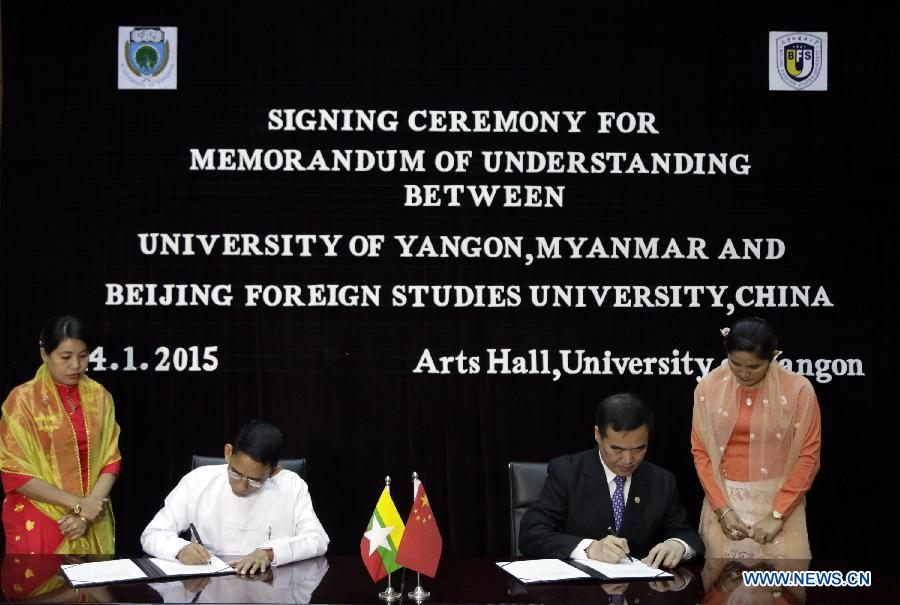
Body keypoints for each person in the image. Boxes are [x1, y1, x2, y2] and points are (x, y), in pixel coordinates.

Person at [518, 393, 704, 568]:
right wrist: (589, 549)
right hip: (581, 591)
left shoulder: (662, 481)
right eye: (617, 449)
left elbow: (688, 535)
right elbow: (531, 535)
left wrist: (678, 545)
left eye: (639, 449)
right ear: (598, 435)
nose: (628, 459)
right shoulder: (567, 473)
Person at [691, 317, 821, 558]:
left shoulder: (798, 390)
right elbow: (701, 452)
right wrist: (722, 510)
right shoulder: (708, 388)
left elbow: (808, 456)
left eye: (754, 367)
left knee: (782, 592)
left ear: (772, 356)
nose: (744, 373)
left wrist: (778, 515)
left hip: (781, 505)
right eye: (735, 363)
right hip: (723, 504)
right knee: (722, 590)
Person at [141, 420, 329, 574]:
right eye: (236, 473)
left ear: (274, 471)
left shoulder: (291, 485)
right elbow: (152, 534)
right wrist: (180, 550)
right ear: (228, 453)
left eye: (255, 480)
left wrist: (269, 553)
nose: (242, 486)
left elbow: (317, 539)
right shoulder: (198, 481)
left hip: (269, 586)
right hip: (209, 585)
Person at [0, 315, 121, 554]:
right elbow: (14, 471)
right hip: (40, 518)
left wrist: (86, 514)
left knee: (94, 590)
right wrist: (78, 505)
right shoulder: (23, 400)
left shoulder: (99, 397)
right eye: (65, 357)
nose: (76, 365)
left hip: (90, 517)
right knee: (44, 589)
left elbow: (111, 460)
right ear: (45, 355)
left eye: (83, 355)